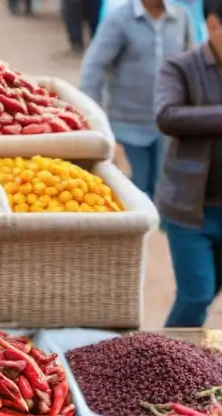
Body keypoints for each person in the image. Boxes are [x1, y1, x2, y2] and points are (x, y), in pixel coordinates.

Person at [79, 0, 193, 200]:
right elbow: (93, 69)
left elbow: (193, 66)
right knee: (134, 195)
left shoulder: (181, 18)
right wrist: (96, 125)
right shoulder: (120, 19)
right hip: (128, 129)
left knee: (167, 194)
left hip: (169, 129)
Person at [156, 0, 222, 326]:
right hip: (189, 208)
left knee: (209, 292)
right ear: (212, 25)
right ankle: (163, 361)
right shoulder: (180, 66)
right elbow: (167, 116)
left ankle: (178, 360)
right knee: (195, 294)